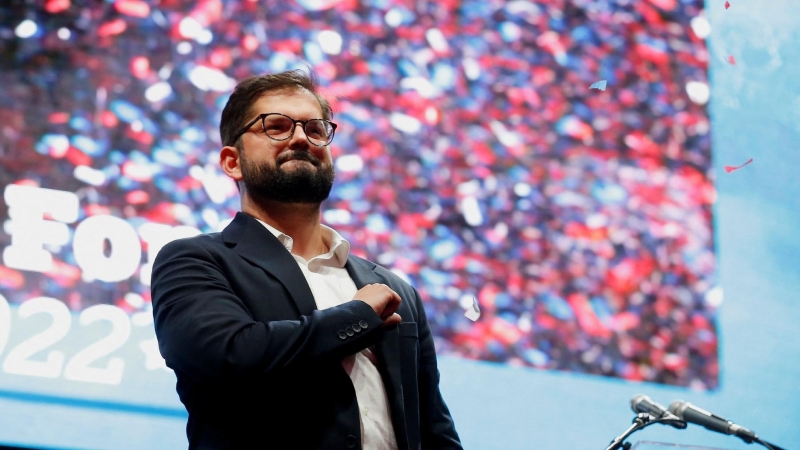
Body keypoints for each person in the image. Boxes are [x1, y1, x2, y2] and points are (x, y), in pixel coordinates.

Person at [151, 69, 462, 450]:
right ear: (233, 162)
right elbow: (229, 359)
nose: (301, 138)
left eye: (316, 130)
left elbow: (432, 428)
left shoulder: (396, 289)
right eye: (276, 127)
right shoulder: (196, 260)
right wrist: (357, 316)